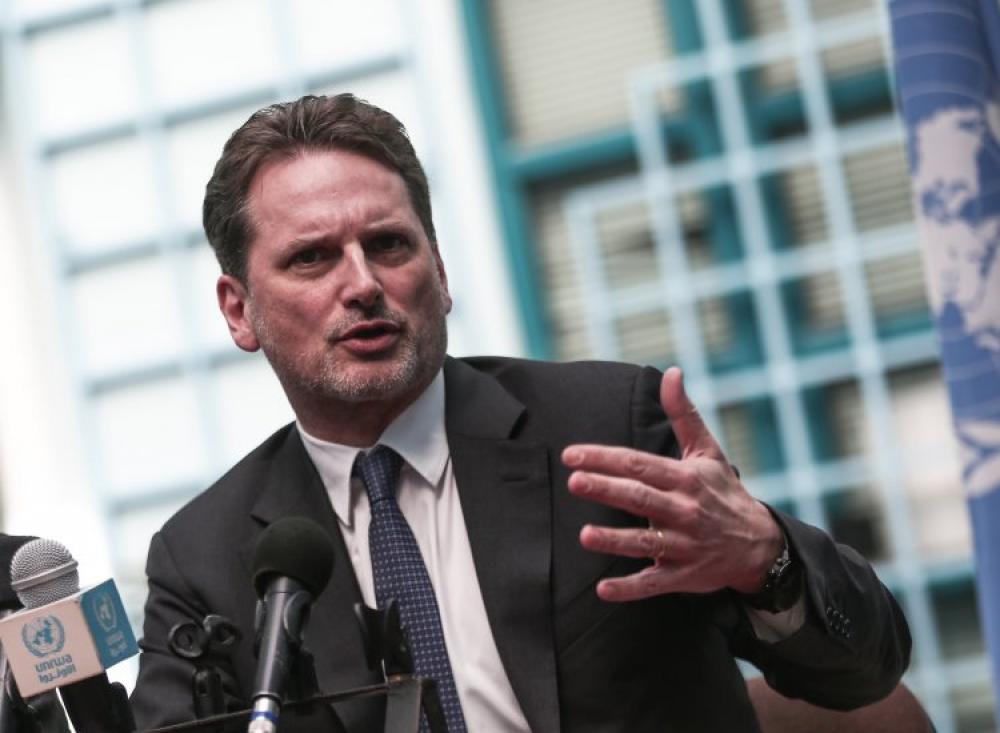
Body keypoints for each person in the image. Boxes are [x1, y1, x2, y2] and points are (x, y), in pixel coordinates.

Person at [130, 94, 910, 732]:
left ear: (439, 272)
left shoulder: (605, 429)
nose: (363, 283)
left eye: (390, 245)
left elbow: (864, 671)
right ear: (240, 310)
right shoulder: (206, 559)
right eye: (313, 257)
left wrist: (765, 558)